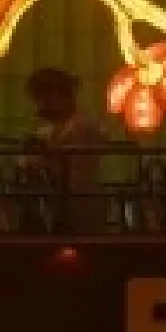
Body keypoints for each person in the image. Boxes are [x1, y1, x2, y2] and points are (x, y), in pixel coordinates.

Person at [25, 66, 109, 232]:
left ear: (58, 96)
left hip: (75, 213)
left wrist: (42, 161)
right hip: (63, 208)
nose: (39, 106)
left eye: (42, 99)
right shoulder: (57, 128)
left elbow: (76, 178)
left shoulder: (81, 128)